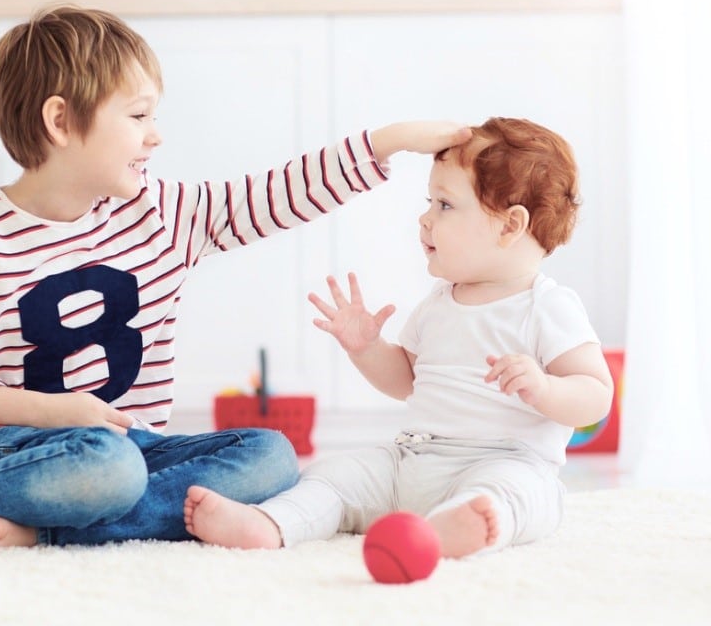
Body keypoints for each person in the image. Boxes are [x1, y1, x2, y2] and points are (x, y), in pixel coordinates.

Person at [0, 4, 469, 554]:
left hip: (132, 450)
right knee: (106, 464)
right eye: (138, 116)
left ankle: (46, 535)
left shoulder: (161, 213)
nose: (156, 137)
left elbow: (272, 196)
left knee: (270, 456)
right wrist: (47, 413)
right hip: (11, 455)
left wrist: (390, 141)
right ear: (61, 121)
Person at [184, 116, 614, 559]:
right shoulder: (439, 302)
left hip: (505, 461)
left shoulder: (546, 306)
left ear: (509, 226)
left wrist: (544, 388)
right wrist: (367, 348)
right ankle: (273, 523)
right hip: (411, 462)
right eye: (430, 202)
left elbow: (596, 395)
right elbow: (405, 380)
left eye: (444, 205)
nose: (425, 219)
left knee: (519, 494)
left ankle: (465, 524)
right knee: (335, 473)